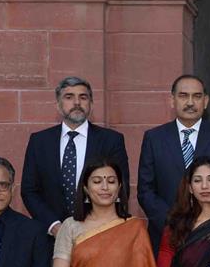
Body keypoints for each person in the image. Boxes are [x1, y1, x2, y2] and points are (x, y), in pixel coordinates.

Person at [20, 76, 131, 238]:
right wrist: (54, 226)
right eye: (69, 97)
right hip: (51, 238)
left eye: (83, 97)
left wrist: (94, 225)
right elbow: (29, 191)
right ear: (58, 105)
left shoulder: (111, 140)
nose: (77, 103)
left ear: (91, 105)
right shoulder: (39, 141)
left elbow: (122, 186)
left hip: (99, 234)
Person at [137, 74, 210, 248]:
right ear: (172, 100)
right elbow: (145, 190)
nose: (190, 102)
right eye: (183, 96)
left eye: (197, 96)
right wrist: (174, 222)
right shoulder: (154, 138)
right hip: (165, 234)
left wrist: (207, 221)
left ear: (206, 101)